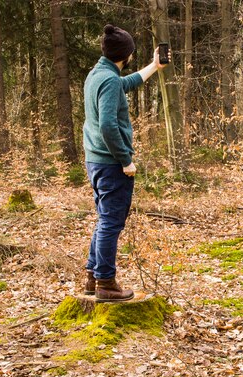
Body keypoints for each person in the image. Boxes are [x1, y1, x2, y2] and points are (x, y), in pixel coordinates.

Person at [82, 24, 170, 302]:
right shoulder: (108, 80)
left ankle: (93, 277)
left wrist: (154, 66)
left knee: (104, 220)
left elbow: (126, 83)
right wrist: (126, 160)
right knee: (111, 222)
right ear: (126, 54)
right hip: (110, 164)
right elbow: (108, 126)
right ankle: (106, 284)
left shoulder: (98, 74)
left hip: (95, 161)